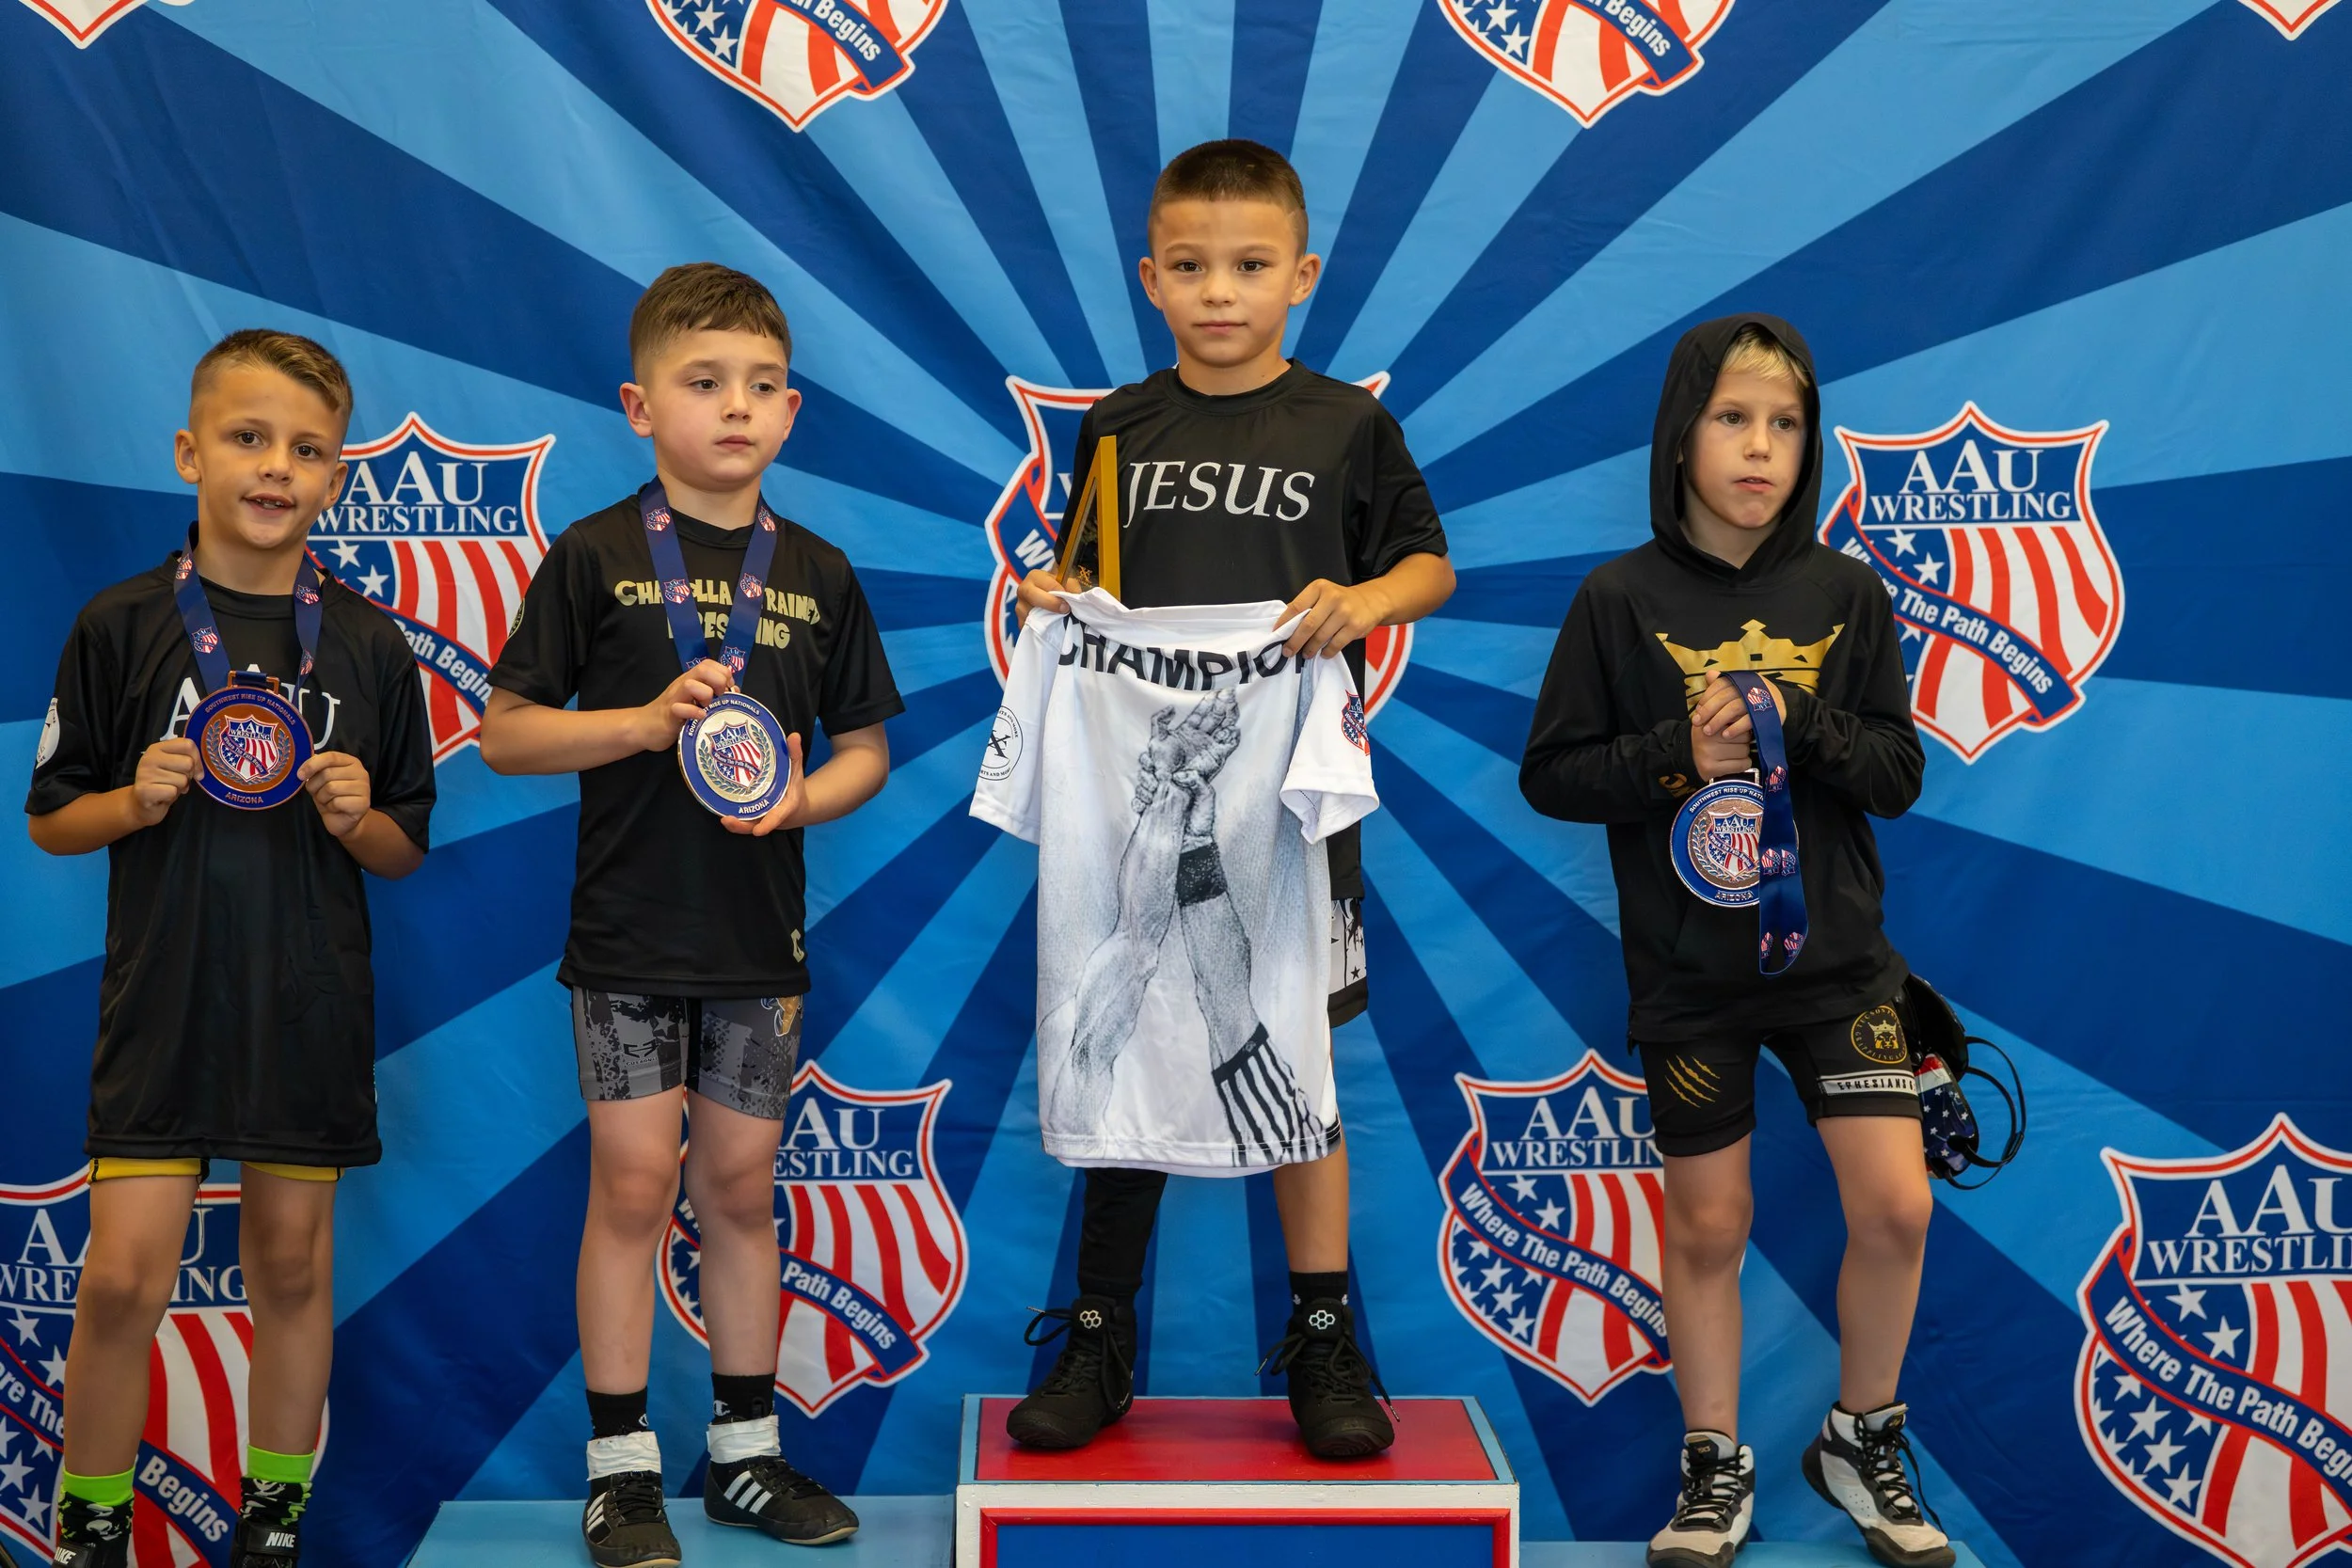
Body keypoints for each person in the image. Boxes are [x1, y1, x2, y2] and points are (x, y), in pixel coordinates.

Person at [1004, 138, 1454, 1459]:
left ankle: (1324, 1334)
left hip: (1295, 793)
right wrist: (1050, 600)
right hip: (1148, 785)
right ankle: (1098, 1329)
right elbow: (1080, 583)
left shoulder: (1344, 425)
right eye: (1192, 266)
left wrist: (1365, 599)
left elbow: (1427, 562)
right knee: (1130, 1009)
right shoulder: (1119, 427)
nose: (1220, 291)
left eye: (1250, 266)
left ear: (1300, 275)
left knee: (1298, 1051)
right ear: (1150, 278)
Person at [481, 263, 901, 1564]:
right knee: (630, 1183)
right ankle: (620, 1470)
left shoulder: (818, 570)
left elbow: (867, 749)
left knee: (737, 1185)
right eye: (703, 382)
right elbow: (503, 734)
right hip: (626, 938)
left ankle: (745, 1455)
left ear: (791, 410)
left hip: (755, 944)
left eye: (762, 386)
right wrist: (638, 725)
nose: (736, 408)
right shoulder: (598, 554)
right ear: (638, 404)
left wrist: (798, 807)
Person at [1519, 315, 1949, 1568]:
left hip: (1839, 968)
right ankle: (1713, 1461)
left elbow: (1897, 772)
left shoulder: (1843, 592)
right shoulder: (1618, 599)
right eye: (1731, 418)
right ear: (1680, 437)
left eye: (1783, 423)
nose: (1759, 447)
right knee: (1708, 1223)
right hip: (1694, 974)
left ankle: (1862, 1433)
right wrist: (1677, 756)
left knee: (1898, 1206)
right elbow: (1553, 775)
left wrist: (1800, 722)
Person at [25, 329, 436, 1568]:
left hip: (305, 999)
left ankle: (273, 1523)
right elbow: (52, 819)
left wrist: (362, 815)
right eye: (249, 439)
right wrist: (132, 803)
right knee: (118, 1279)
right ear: (190, 451)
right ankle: (89, 1520)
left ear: (336, 476)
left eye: (308, 450)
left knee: (294, 1267)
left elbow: (407, 846)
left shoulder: (368, 644)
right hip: (164, 1000)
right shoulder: (120, 623)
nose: (276, 468)